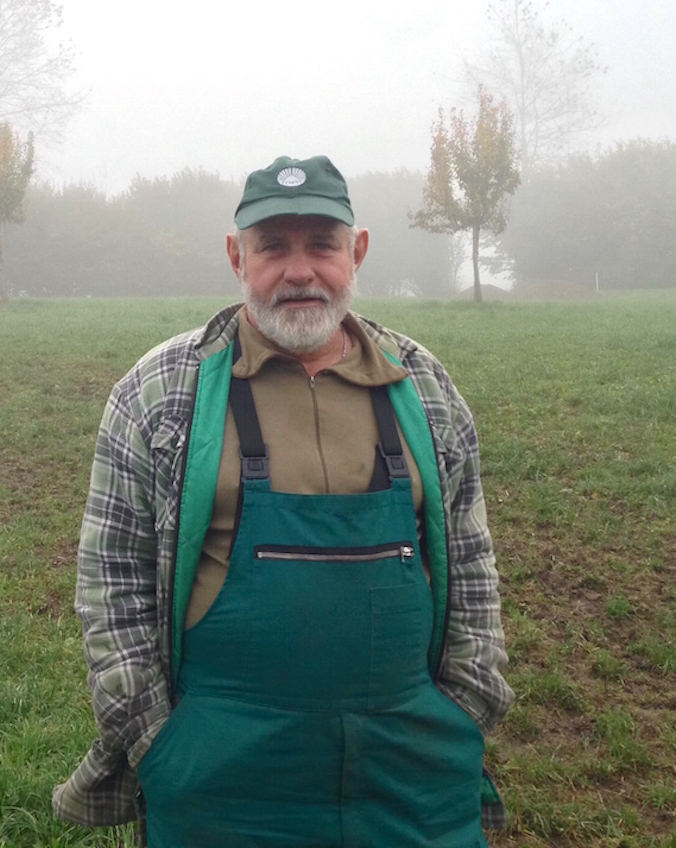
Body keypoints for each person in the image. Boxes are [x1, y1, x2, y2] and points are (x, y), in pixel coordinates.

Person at [52, 155, 514, 847]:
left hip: (412, 777)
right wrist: (158, 744)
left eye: (322, 244)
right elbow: (109, 582)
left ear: (356, 252)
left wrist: (465, 709)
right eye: (273, 246)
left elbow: (472, 560)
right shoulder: (156, 394)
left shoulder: (425, 387)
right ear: (237, 256)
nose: (299, 271)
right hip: (221, 781)